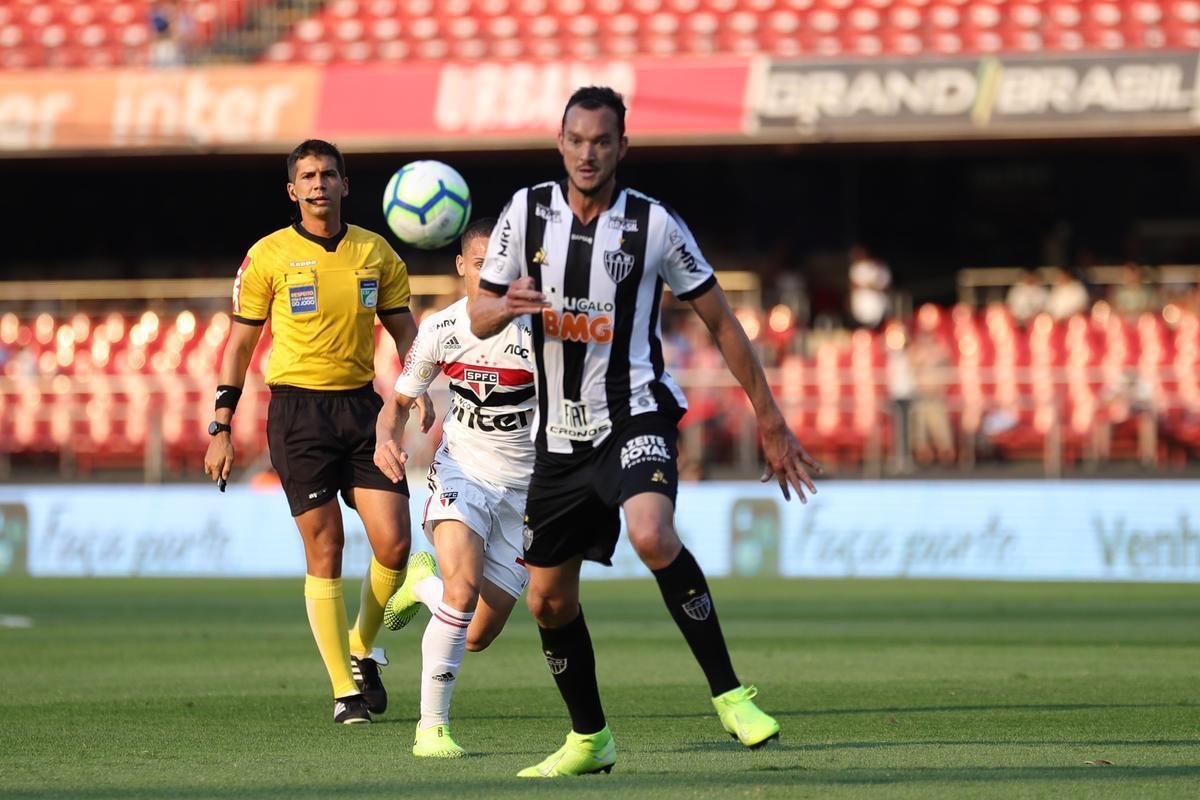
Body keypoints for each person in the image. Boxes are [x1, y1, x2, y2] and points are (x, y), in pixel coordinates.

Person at [468, 86, 822, 778]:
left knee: (653, 534)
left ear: (621, 147)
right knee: (547, 600)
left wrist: (770, 419)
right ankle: (589, 739)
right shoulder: (525, 213)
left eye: (602, 141)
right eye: (577, 140)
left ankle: (731, 696)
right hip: (558, 438)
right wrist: (504, 305)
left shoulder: (653, 225)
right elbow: (480, 313)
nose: (588, 153)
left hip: (634, 411)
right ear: (560, 144)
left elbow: (721, 321)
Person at [202, 139, 431, 725]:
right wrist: (221, 424)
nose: (318, 184)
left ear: (344, 184)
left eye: (328, 174)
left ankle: (360, 645)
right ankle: (344, 690)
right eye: (307, 176)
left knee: (394, 544)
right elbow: (239, 347)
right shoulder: (268, 256)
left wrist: (419, 387)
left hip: (362, 409)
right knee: (325, 546)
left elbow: (406, 332)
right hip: (297, 413)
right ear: (292, 190)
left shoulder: (375, 252)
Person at [372, 218, 536, 758]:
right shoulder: (441, 329)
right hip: (463, 472)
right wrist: (385, 439)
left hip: (527, 492)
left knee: (477, 634)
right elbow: (398, 404)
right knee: (461, 593)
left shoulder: (541, 331)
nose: (492, 274)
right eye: (482, 263)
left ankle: (422, 583)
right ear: (462, 266)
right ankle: (431, 728)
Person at [848, 244, 891, 329]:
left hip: (878, 310)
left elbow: (886, 287)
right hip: (860, 310)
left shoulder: (880, 268)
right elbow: (853, 286)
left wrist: (871, 286)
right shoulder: (856, 268)